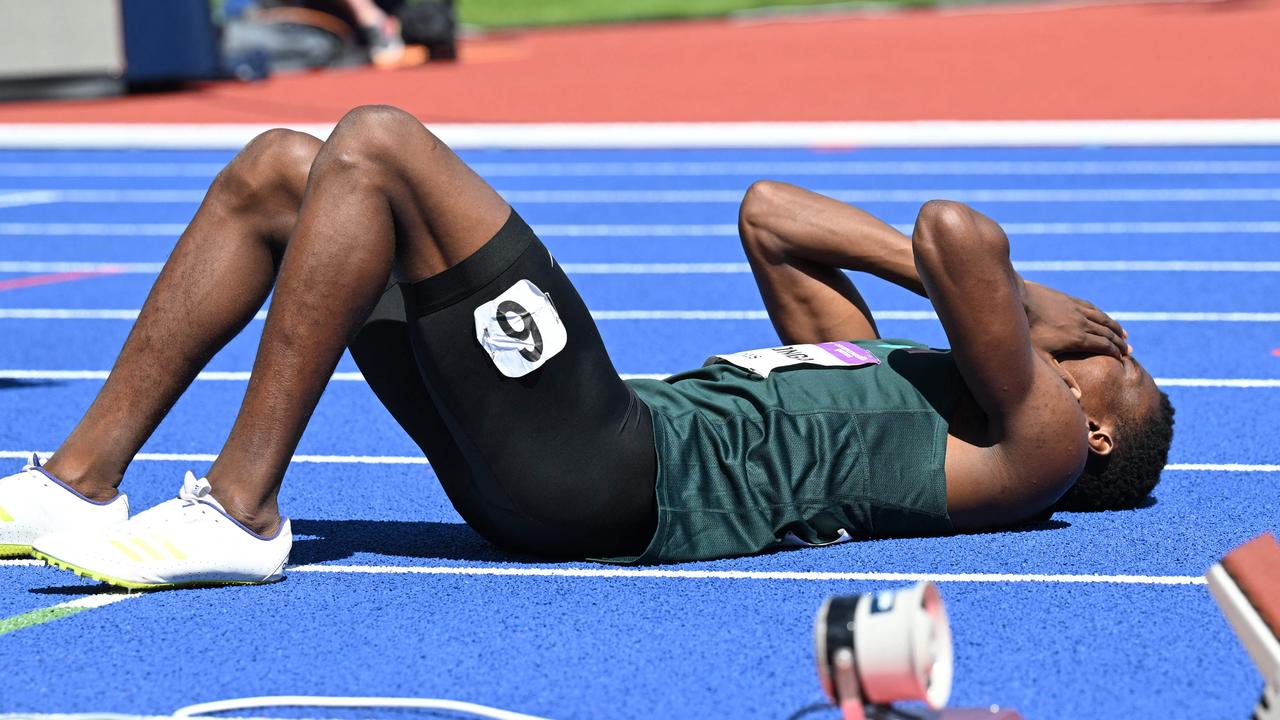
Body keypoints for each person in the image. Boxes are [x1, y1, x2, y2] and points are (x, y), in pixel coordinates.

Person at [0, 106, 1174, 588]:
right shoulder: (888, 374)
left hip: (622, 469)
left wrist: (1027, 302)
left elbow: (953, 237)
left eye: (1115, 357)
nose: (1099, 341)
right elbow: (771, 210)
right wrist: (993, 307)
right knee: (281, 171)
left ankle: (241, 510)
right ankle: (73, 486)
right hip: (564, 455)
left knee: (380, 142)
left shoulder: (1036, 458)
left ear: (1099, 420)